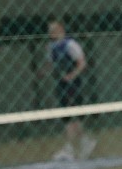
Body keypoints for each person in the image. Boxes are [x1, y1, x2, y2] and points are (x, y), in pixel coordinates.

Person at [40, 18, 96, 161]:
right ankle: (81, 143)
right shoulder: (51, 47)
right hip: (61, 83)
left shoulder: (70, 44)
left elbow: (82, 63)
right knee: (67, 116)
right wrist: (43, 72)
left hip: (72, 83)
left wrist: (72, 75)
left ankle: (71, 147)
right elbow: (50, 64)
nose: (51, 33)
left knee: (72, 115)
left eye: (54, 30)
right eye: (50, 30)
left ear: (61, 30)